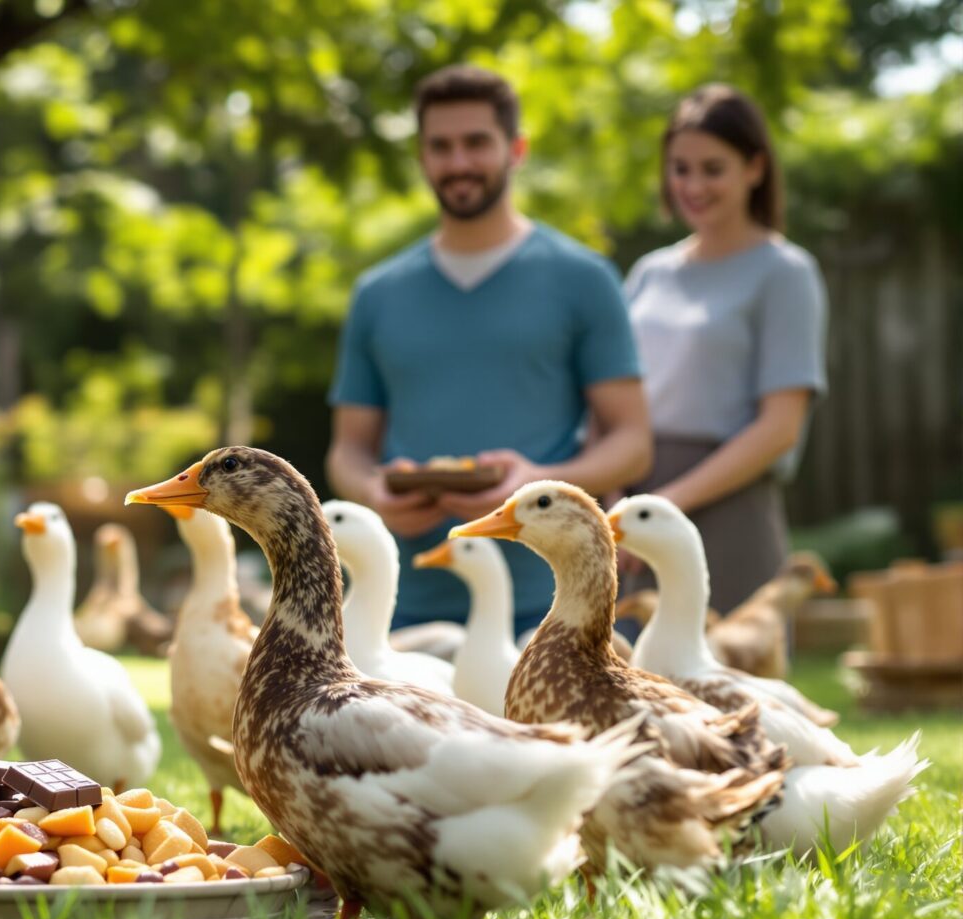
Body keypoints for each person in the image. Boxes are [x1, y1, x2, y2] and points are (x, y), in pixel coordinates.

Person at [326, 65, 652, 636]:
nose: (458, 163)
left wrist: (540, 481)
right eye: (441, 147)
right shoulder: (377, 293)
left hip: (554, 606)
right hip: (401, 606)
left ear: (516, 149)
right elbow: (348, 452)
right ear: (423, 157)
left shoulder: (584, 279)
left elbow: (632, 442)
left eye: (476, 143)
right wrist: (373, 491)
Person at [623, 84, 827, 614]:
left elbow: (779, 427)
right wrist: (618, 506)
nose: (693, 185)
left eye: (712, 168)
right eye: (680, 168)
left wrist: (668, 504)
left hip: (730, 511)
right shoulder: (650, 273)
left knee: (728, 683)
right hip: (635, 512)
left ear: (754, 168)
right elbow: (613, 402)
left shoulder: (784, 273)